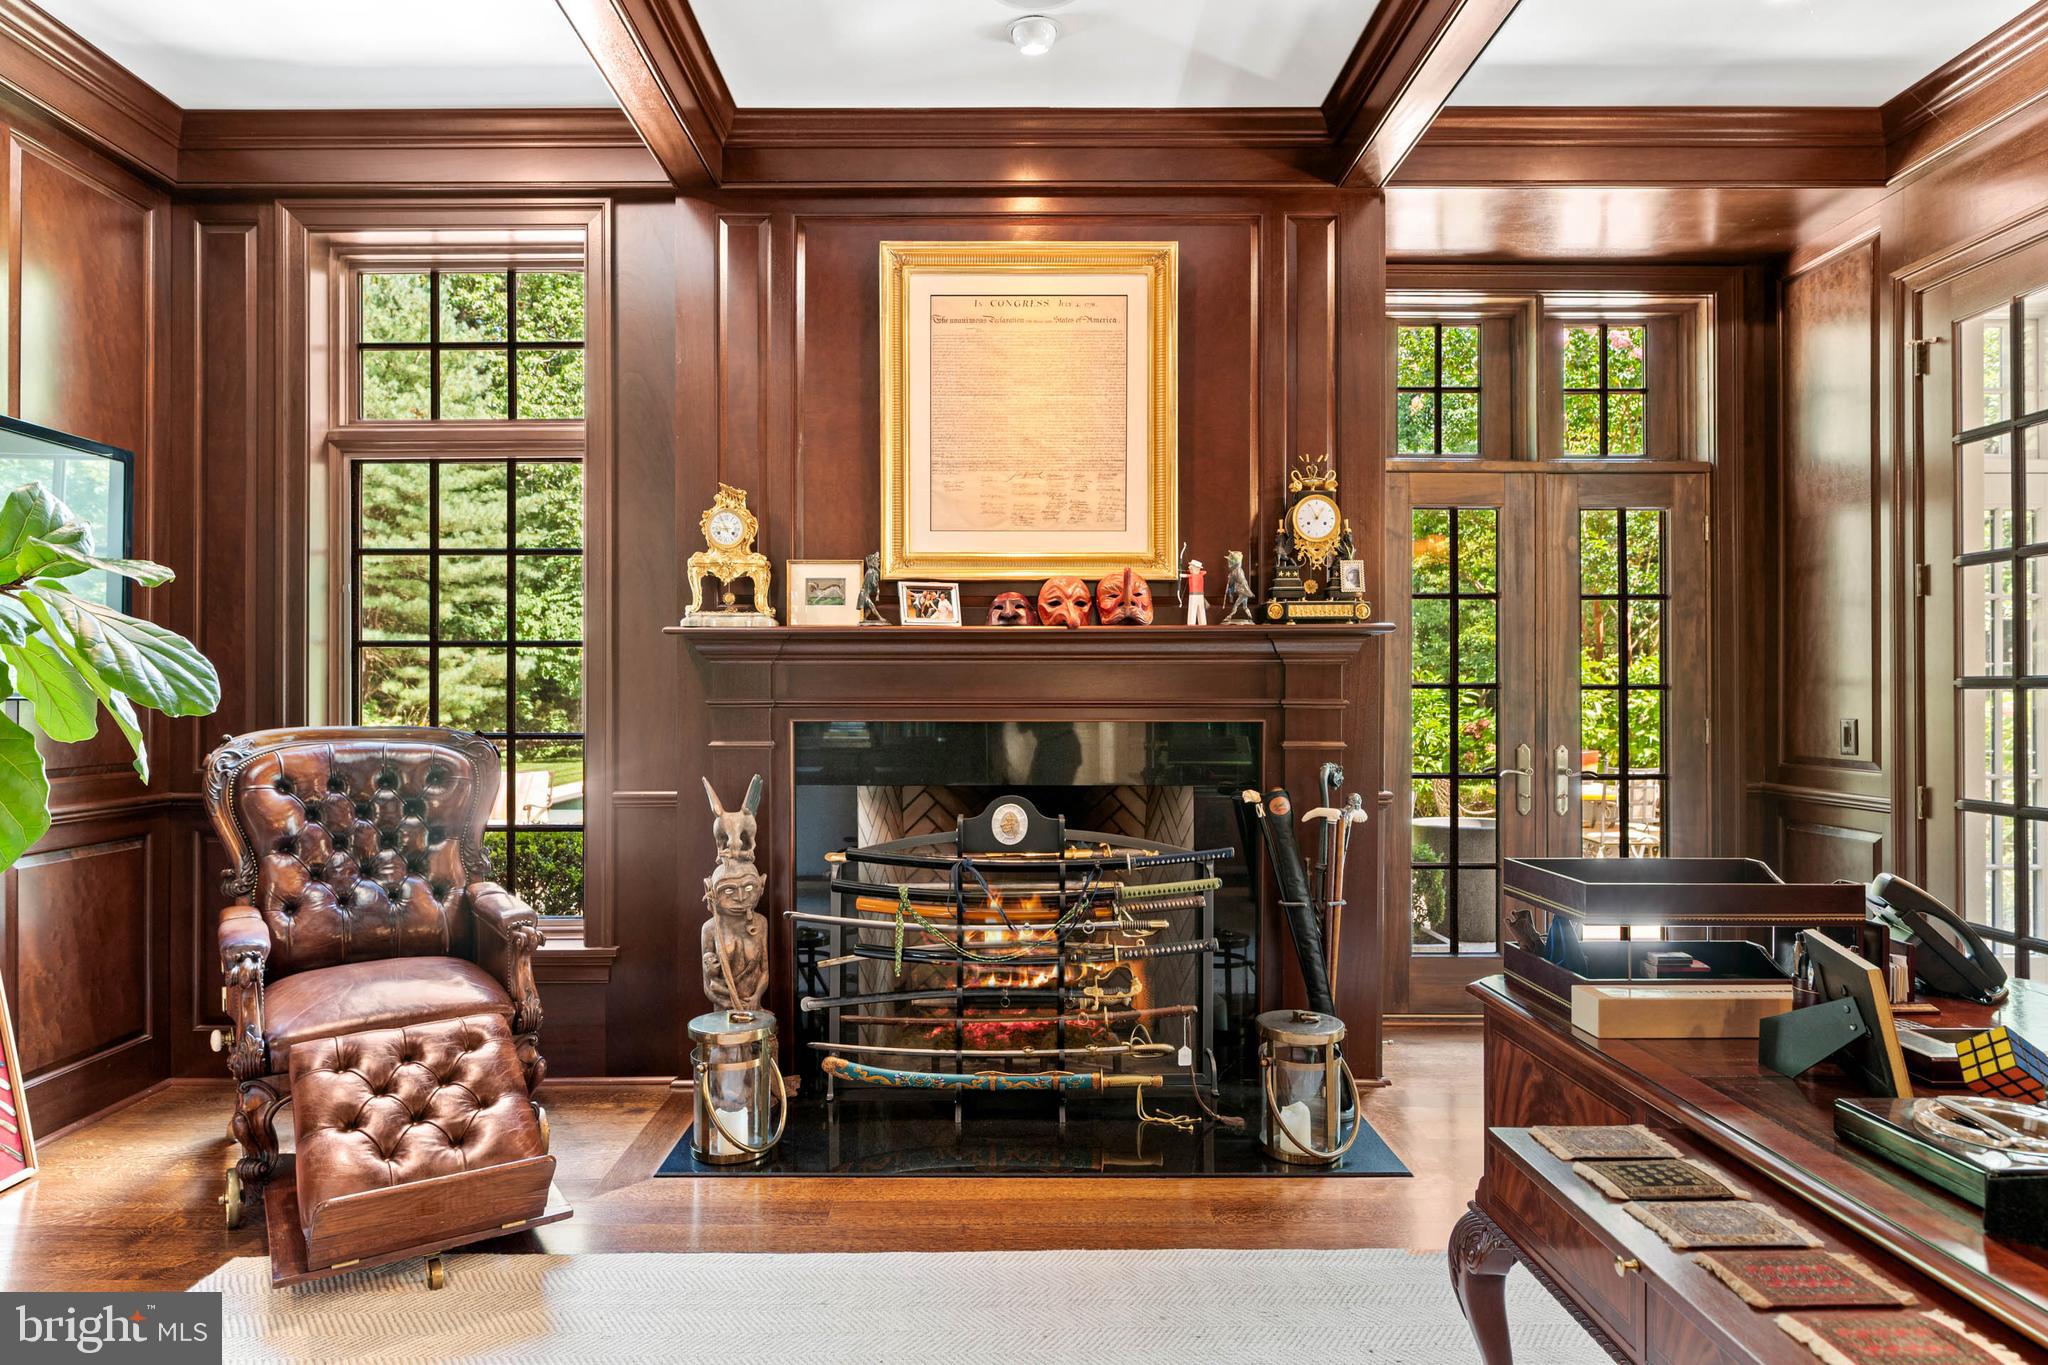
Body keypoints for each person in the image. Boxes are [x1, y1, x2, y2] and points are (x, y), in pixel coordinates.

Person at [1182, 557, 1209, 625]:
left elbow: (1186, 575)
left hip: (1197, 595)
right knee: (1195, 609)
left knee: (1198, 609)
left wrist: (1180, 575)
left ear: (1196, 568)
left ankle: (1200, 623)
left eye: (1191, 566)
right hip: (1194, 595)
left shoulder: (1197, 575)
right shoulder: (1197, 575)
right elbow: (1187, 575)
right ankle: (1192, 624)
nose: (1189, 567)